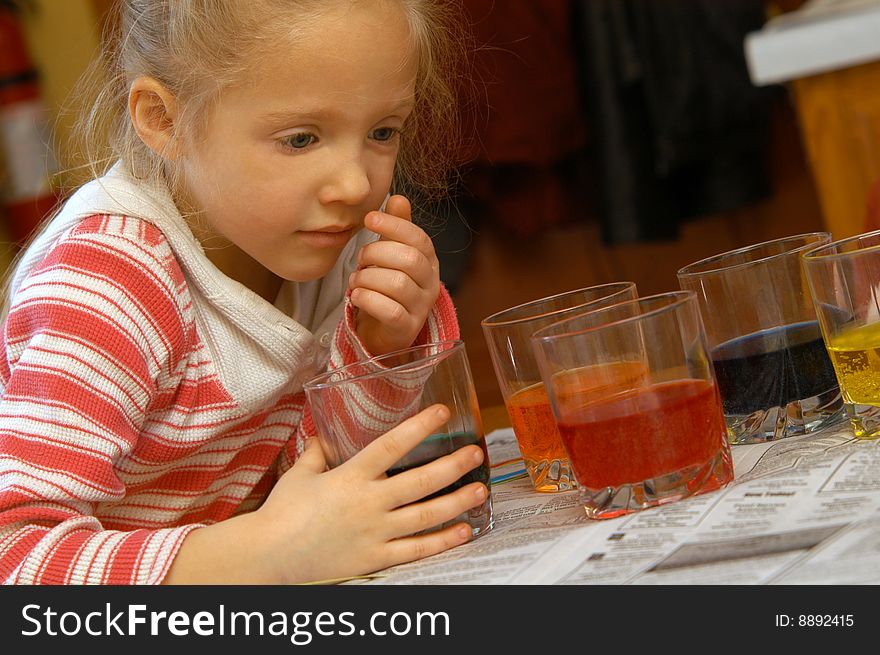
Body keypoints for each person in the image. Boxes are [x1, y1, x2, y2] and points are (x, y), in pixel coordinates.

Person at [0, 0, 487, 584]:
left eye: (382, 131)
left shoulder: (331, 241)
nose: (355, 184)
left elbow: (323, 497)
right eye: (301, 139)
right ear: (164, 120)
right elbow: (15, 558)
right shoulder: (108, 278)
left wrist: (378, 349)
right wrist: (263, 555)